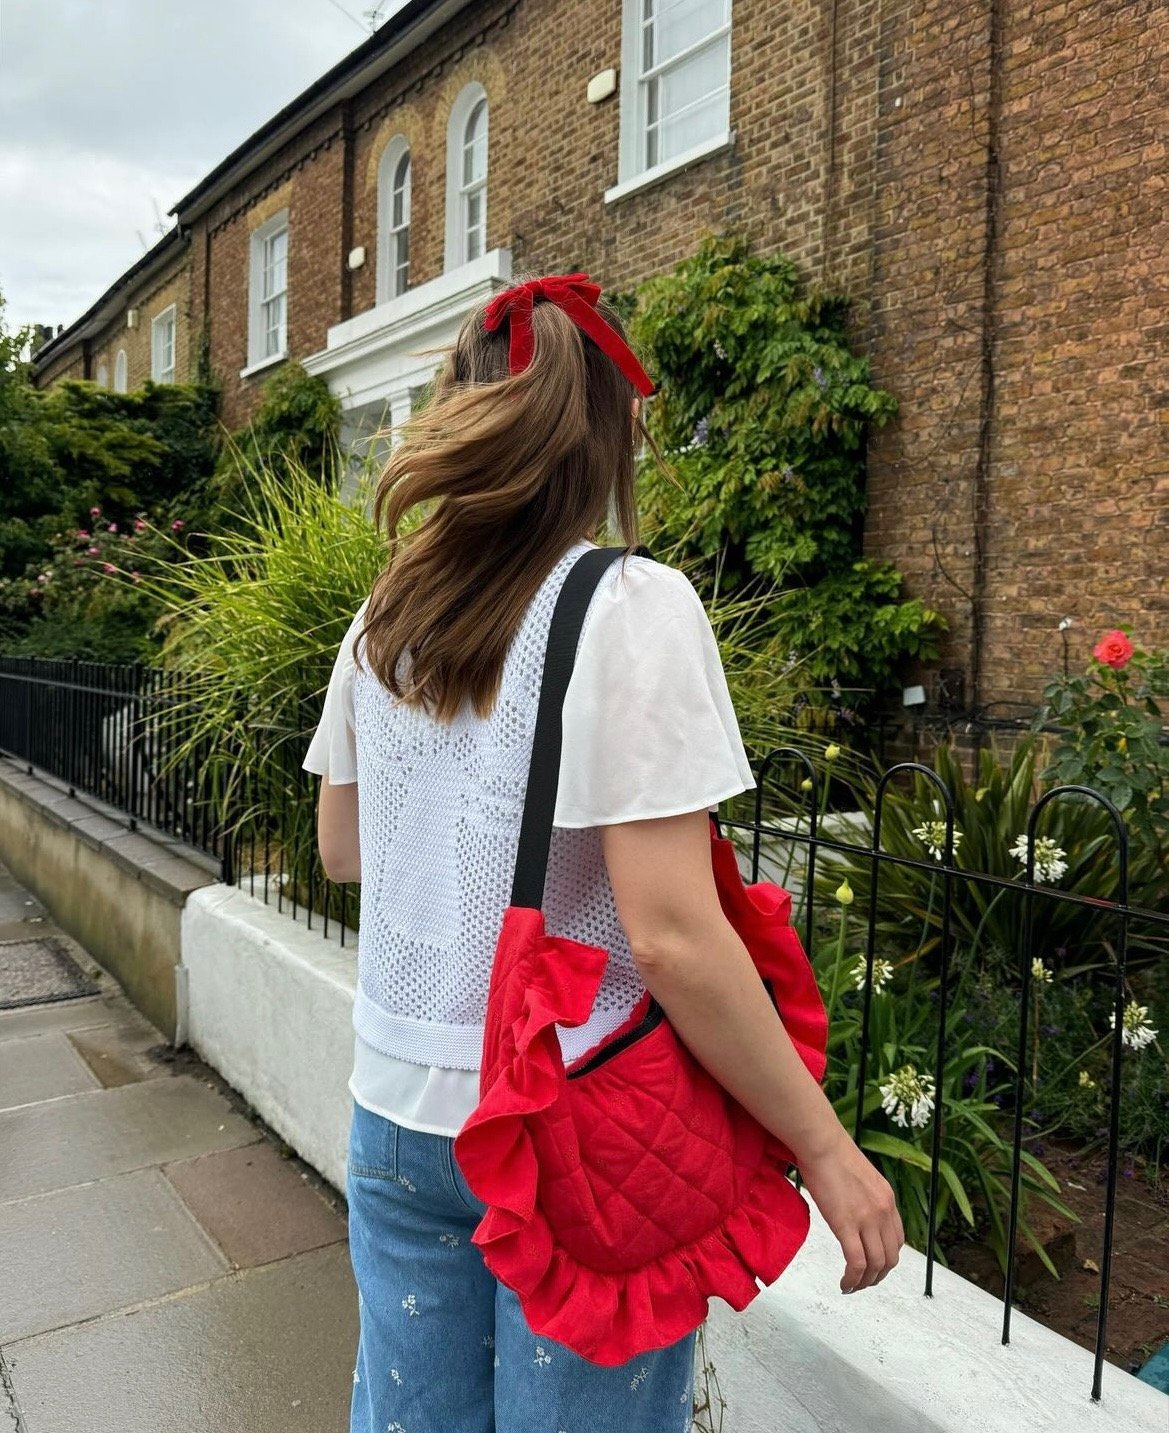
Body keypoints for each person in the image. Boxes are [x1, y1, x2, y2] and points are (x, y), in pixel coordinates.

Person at [302, 273, 903, 1433]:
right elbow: (672, 937)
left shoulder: (384, 616)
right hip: (563, 1124)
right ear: (605, 432)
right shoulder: (627, 604)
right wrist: (823, 1147)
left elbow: (341, 847)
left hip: (393, 1108)